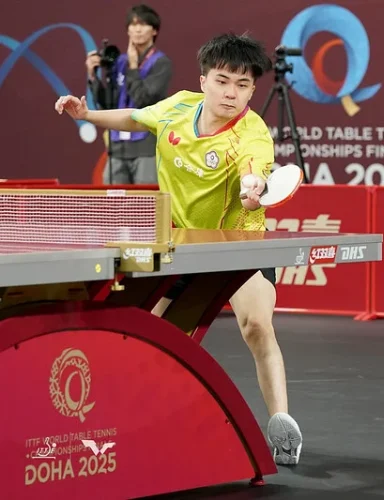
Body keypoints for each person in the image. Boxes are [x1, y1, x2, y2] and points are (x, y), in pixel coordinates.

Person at [57, 32, 303, 465]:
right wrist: (88, 114)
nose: (231, 93)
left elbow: (253, 172)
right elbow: (136, 118)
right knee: (156, 337)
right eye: (222, 81)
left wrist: (252, 191)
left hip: (239, 246)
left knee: (257, 327)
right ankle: (135, 424)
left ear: (252, 90)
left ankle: (282, 425)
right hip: (182, 245)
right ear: (204, 80)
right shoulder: (178, 107)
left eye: (242, 85)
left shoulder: (252, 133)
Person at [86, 4, 172, 185]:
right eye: (133, 25)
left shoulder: (161, 63)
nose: (137, 29)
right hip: (117, 148)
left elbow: (143, 99)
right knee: (114, 200)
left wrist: (133, 68)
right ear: (127, 30)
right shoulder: (119, 62)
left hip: (145, 148)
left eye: (143, 24)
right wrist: (93, 76)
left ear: (154, 30)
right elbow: (107, 105)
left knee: (145, 199)